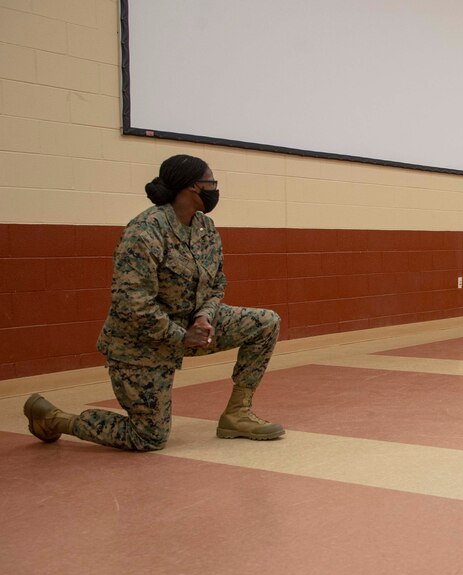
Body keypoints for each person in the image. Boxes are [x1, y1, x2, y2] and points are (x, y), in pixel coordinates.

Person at [23, 154, 284, 451]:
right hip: (141, 343)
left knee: (265, 323)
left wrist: (203, 317)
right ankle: (54, 419)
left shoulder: (205, 227)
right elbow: (132, 304)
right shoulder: (145, 231)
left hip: (191, 327)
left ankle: (237, 414)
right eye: (210, 181)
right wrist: (181, 336)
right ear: (192, 187)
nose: (215, 188)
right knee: (149, 436)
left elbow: (216, 283)